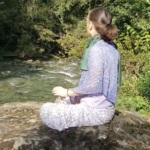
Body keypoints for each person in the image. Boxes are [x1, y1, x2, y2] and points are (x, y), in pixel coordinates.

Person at [39, 7, 121, 131]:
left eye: (87, 22)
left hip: (96, 111)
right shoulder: (112, 46)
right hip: (103, 106)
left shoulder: (97, 49)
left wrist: (67, 91)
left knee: (45, 109)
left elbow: (93, 85)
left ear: (91, 25)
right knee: (61, 100)